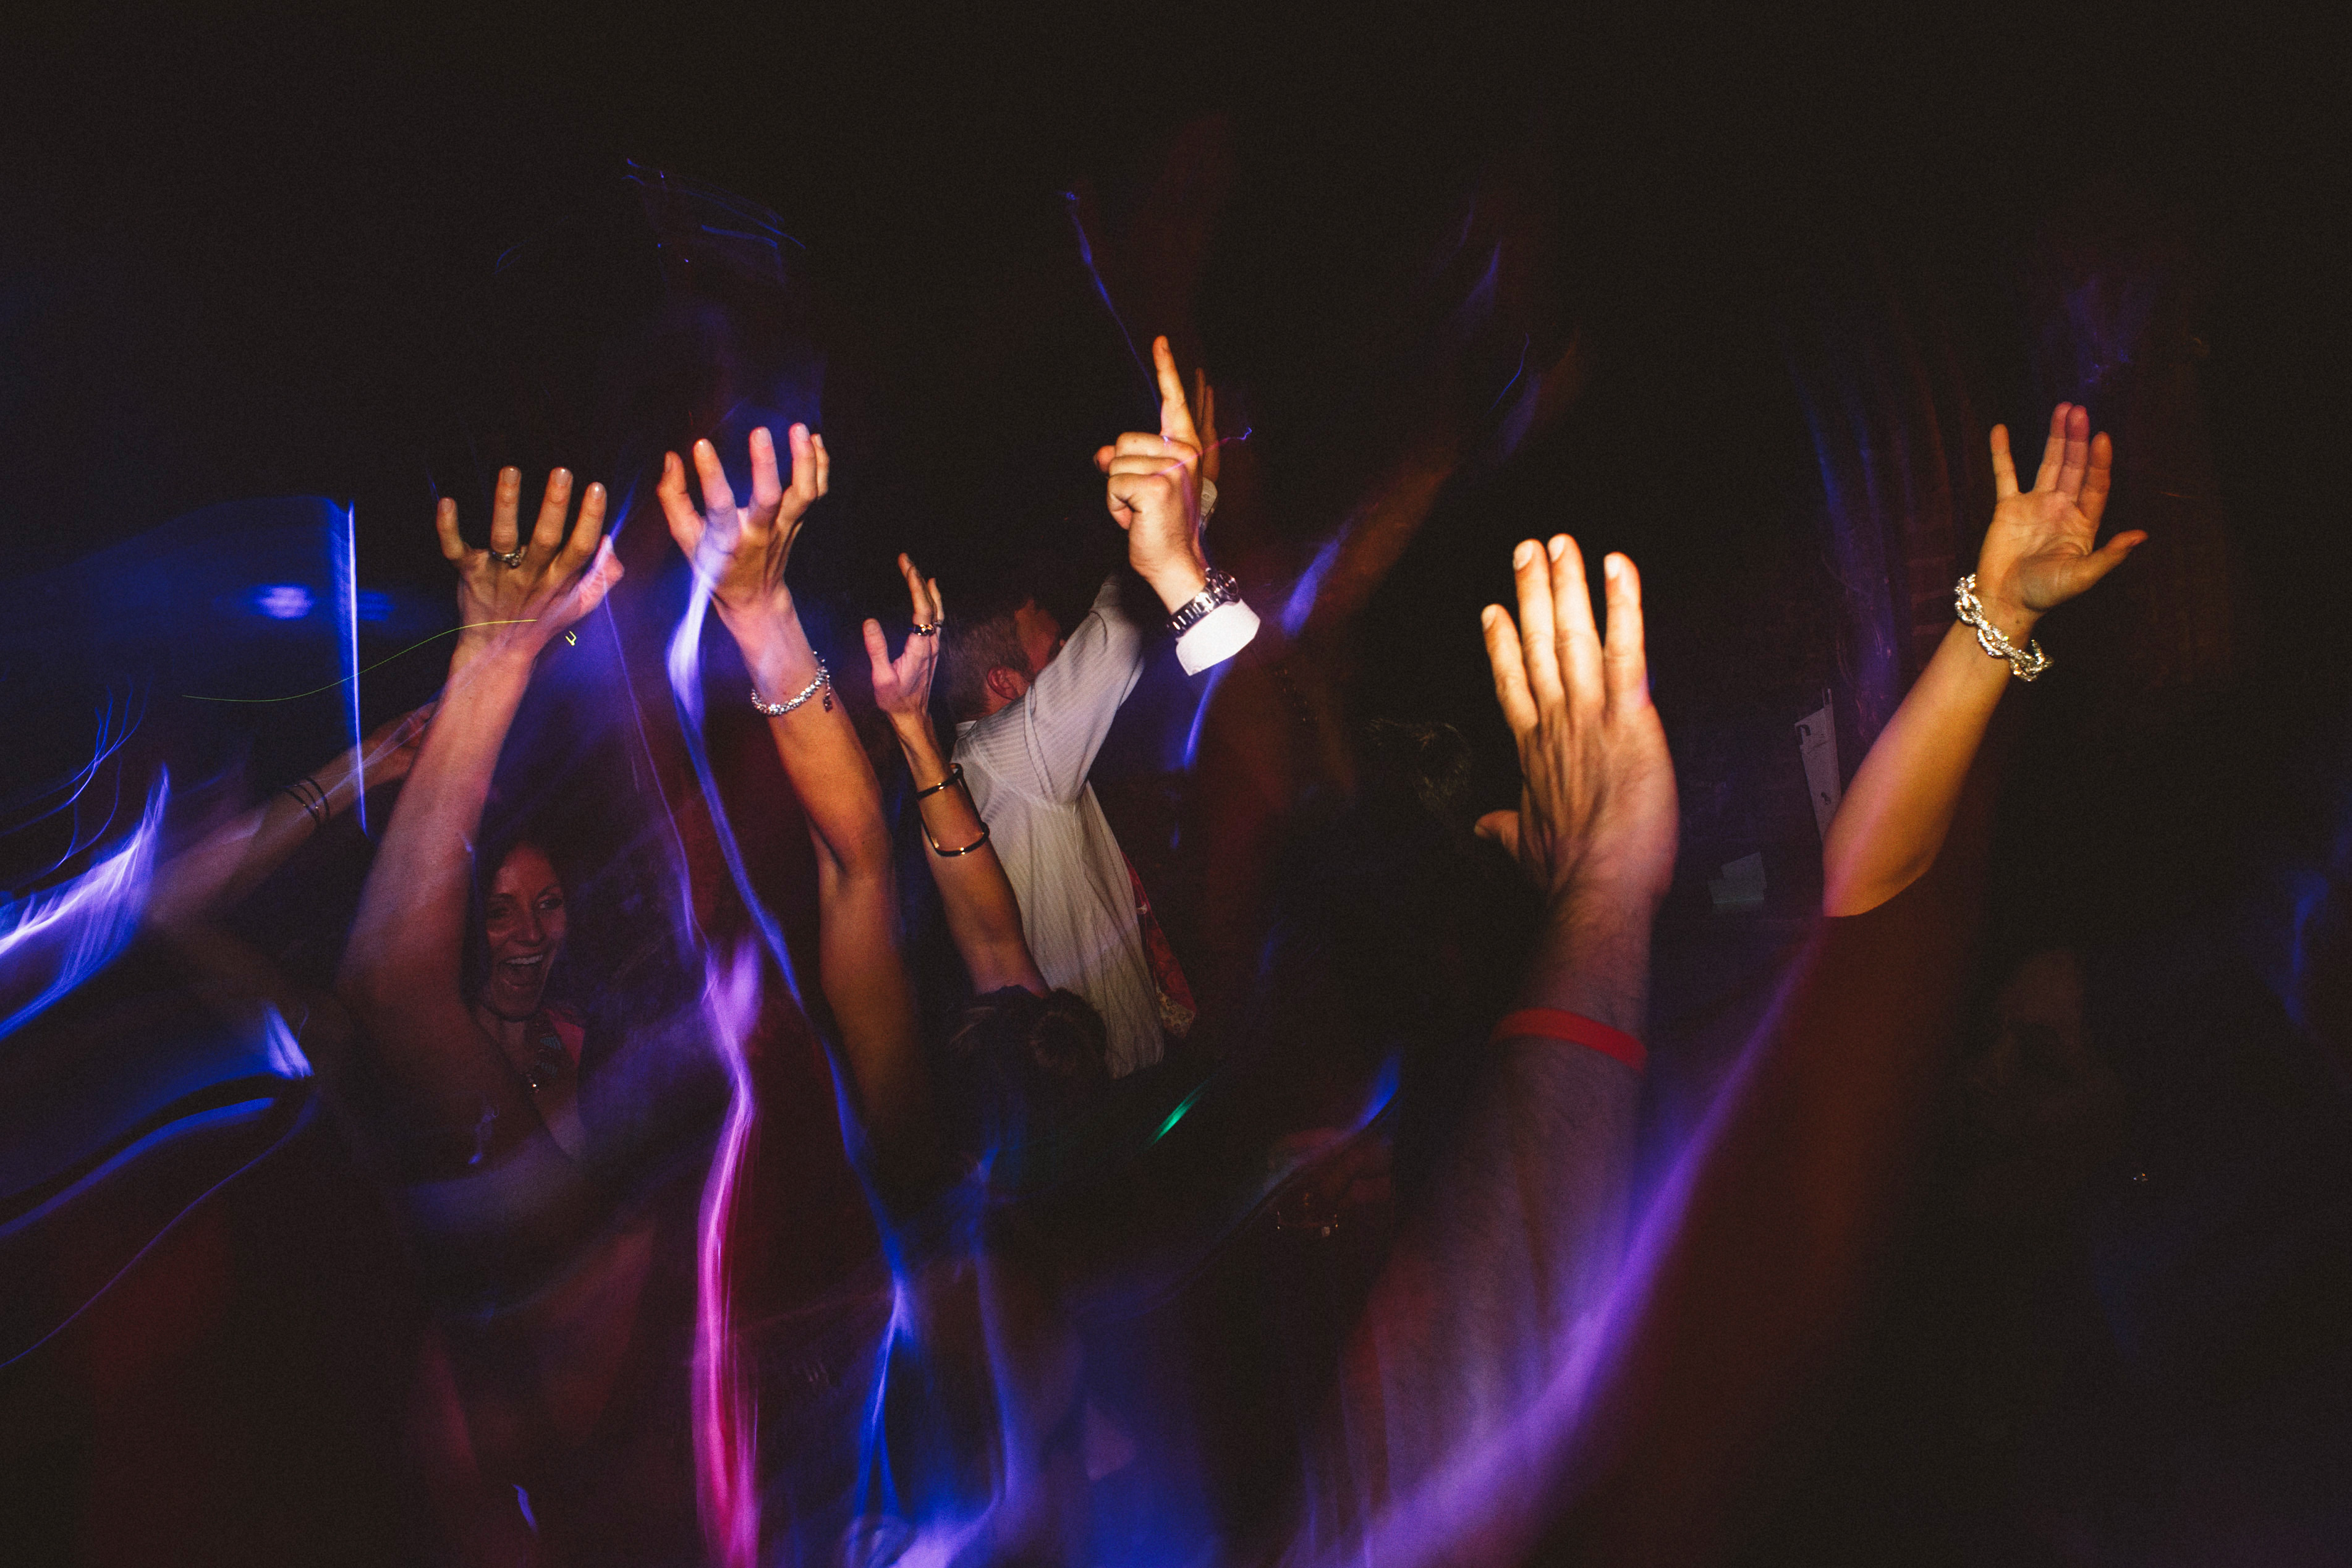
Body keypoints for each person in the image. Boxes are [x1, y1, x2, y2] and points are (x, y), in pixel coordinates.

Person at [941, 336, 1260, 1079]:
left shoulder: (994, 766)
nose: (1067, 664)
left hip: (1120, 1081)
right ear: (1004, 685)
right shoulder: (1001, 754)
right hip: (1108, 1096)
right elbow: (1116, 632)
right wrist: (1189, 514)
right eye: (1051, 654)